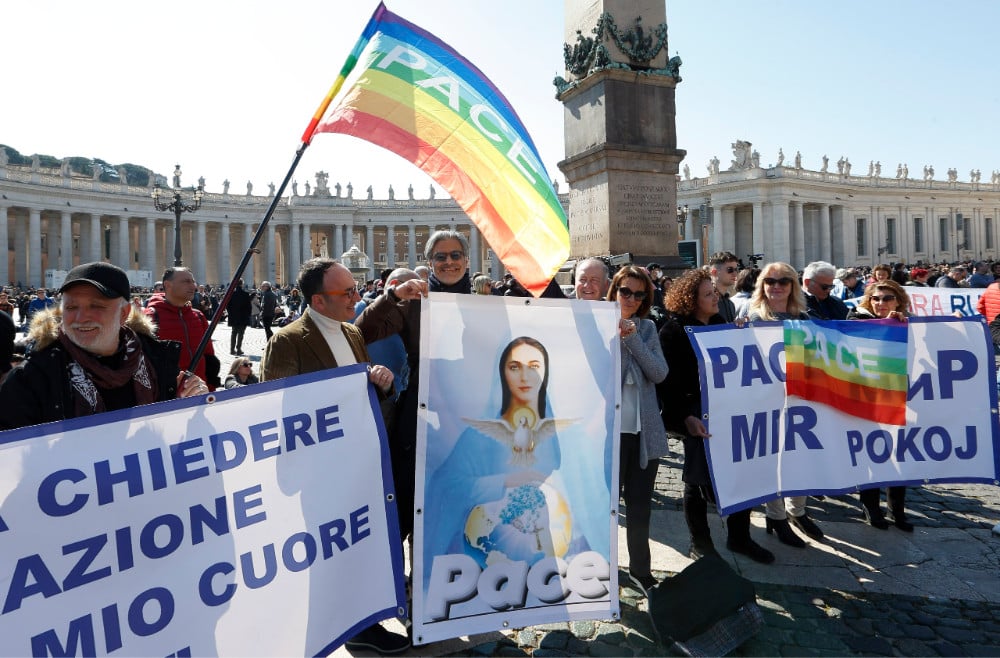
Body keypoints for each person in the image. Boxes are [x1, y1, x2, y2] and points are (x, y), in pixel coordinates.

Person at [260, 258, 405, 655]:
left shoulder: (351, 332)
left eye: (356, 289)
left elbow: (359, 392)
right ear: (318, 301)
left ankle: (363, 619)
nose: (357, 296)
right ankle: (338, 624)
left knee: (359, 542)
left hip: (356, 463)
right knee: (327, 551)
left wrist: (380, 381)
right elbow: (273, 409)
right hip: (317, 471)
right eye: (348, 293)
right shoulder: (288, 340)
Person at [356, 229, 471, 547]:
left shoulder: (483, 303)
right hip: (421, 409)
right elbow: (360, 332)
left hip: (468, 415)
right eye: (440, 257)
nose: (449, 262)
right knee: (411, 496)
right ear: (430, 263)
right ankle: (410, 579)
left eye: (455, 255)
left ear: (466, 259)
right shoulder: (415, 303)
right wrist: (392, 297)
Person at [0, 262, 207, 430]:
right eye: (71, 307)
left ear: (124, 314)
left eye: (96, 306)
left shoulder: (155, 362)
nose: (81, 318)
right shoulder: (31, 378)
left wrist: (190, 402)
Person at [659, 269, 774, 564]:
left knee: (741, 473)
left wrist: (742, 335)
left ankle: (739, 537)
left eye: (715, 292)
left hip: (729, 412)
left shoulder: (722, 324)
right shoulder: (673, 331)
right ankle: (700, 542)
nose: (716, 297)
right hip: (696, 414)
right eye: (708, 294)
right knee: (696, 480)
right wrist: (685, 417)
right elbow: (667, 384)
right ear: (691, 300)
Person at [741, 261, 824, 547]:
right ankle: (775, 516)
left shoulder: (804, 317)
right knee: (773, 459)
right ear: (762, 286)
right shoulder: (751, 317)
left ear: (793, 286)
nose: (776, 286)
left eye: (783, 281)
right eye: (770, 281)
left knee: (800, 456)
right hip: (765, 400)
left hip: (799, 398)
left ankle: (797, 510)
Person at [606, 265, 669, 593]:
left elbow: (659, 373)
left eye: (638, 294)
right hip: (610, 434)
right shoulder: (598, 323)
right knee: (606, 506)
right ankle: (602, 567)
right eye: (625, 291)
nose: (630, 298)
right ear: (614, 288)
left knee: (640, 505)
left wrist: (632, 340)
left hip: (643, 432)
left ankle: (640, 570)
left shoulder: (647, 328)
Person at [846, 280, 913, 532]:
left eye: (887, 298)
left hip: (898, 397)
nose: (881, 303)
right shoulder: (856, 318)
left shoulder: (907, 321)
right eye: (876, 298)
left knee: (899, 454)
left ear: (898, 301)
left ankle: (897, 510)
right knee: (870, 455)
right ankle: (870, 507)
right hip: (867, 399)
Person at [144, 267, 219, 391]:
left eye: (193, 281)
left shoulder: (199, 316)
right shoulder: (150, 317)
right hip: (167, 398)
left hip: (200, 391)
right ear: (168, 285)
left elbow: (209, 357)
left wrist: (210, 390)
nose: (193, 286)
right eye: (186, 282)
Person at [708, 251, 740, 322]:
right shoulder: (707, 301)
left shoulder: (730, 304)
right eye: (730, 270)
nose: (735, 273)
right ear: (714, 272)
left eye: (736, 270)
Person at [225, 279, 252, 355]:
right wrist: (248, 315)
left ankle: (232, 349)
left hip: (233, 317)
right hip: (243, 317)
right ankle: (238, 349)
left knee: (233, 333)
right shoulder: (245, 294)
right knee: (241, 333)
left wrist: (230, 313)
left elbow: (227, 306)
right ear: (242, 284)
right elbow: (249, 307)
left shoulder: (231, 294)